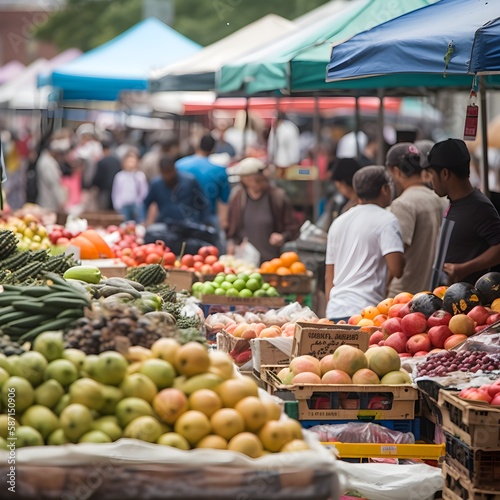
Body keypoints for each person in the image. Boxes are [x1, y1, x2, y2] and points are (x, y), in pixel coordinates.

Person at [325, 166, 405, 322]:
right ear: (385, 189)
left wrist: (331, 310)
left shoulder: (339, 222)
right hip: (366, 313)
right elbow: (397, 269)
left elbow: (329, 276)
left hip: (335, 311)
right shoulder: (387, 220)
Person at [424, 138, 500, 285]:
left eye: (431, 173)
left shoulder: (479, 207)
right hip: (443, 299)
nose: (430, 180)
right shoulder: (455, 201)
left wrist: (464, 269)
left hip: (465, 303)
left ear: (445, 173)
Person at [385, 143, 445, 296]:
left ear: (396, 171)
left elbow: (397, 257)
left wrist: (384, 286)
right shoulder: (439, 199)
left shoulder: (403, 204)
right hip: (432, 291)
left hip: (403, 294)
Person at [226, 157, 300, 263]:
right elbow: (231, 228)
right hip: (245, 262)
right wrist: (231, 244)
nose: (255, 184)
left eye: (258, 180)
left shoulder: (277, 197)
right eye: (249, 180)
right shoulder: (238, 197)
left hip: (271, 262)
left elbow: (292, 227)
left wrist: (282, 237)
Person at [176, 134, 230, 244]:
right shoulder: (220, 171)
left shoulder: (179, 165)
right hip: (208, 221)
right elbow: (224, 202)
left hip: (180, 218)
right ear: (213, 149)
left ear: (198, 146)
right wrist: (223, 223)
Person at [144, 155, 209, 226]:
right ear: (161, 172)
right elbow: (146, 203)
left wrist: (204, 222)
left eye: (170, 171)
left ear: (174, 169)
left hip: (188, 225)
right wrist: (144, 220)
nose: (168, 176)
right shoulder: (156, 184)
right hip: (165, 224)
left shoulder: (189, 181)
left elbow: (203, 204)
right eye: (165, 173)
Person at [111, 147, 148, 222]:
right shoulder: (120, 176)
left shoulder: (140, 176)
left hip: (136, 205)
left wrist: (140, 203)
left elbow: (144, 191)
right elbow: (116, 191)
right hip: (124, 205)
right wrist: (117, 205)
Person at [35, 138, 69, 212]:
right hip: (49, 205)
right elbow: (54, 185)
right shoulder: (47, 164)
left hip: (50, 203)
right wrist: (61, 202)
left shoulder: (48, 161)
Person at [91, 136, 122, 211]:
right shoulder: (117, 161)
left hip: (105, 192)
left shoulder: (102, 162)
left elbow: (97, 178)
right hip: (116, 191)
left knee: (104, 211)